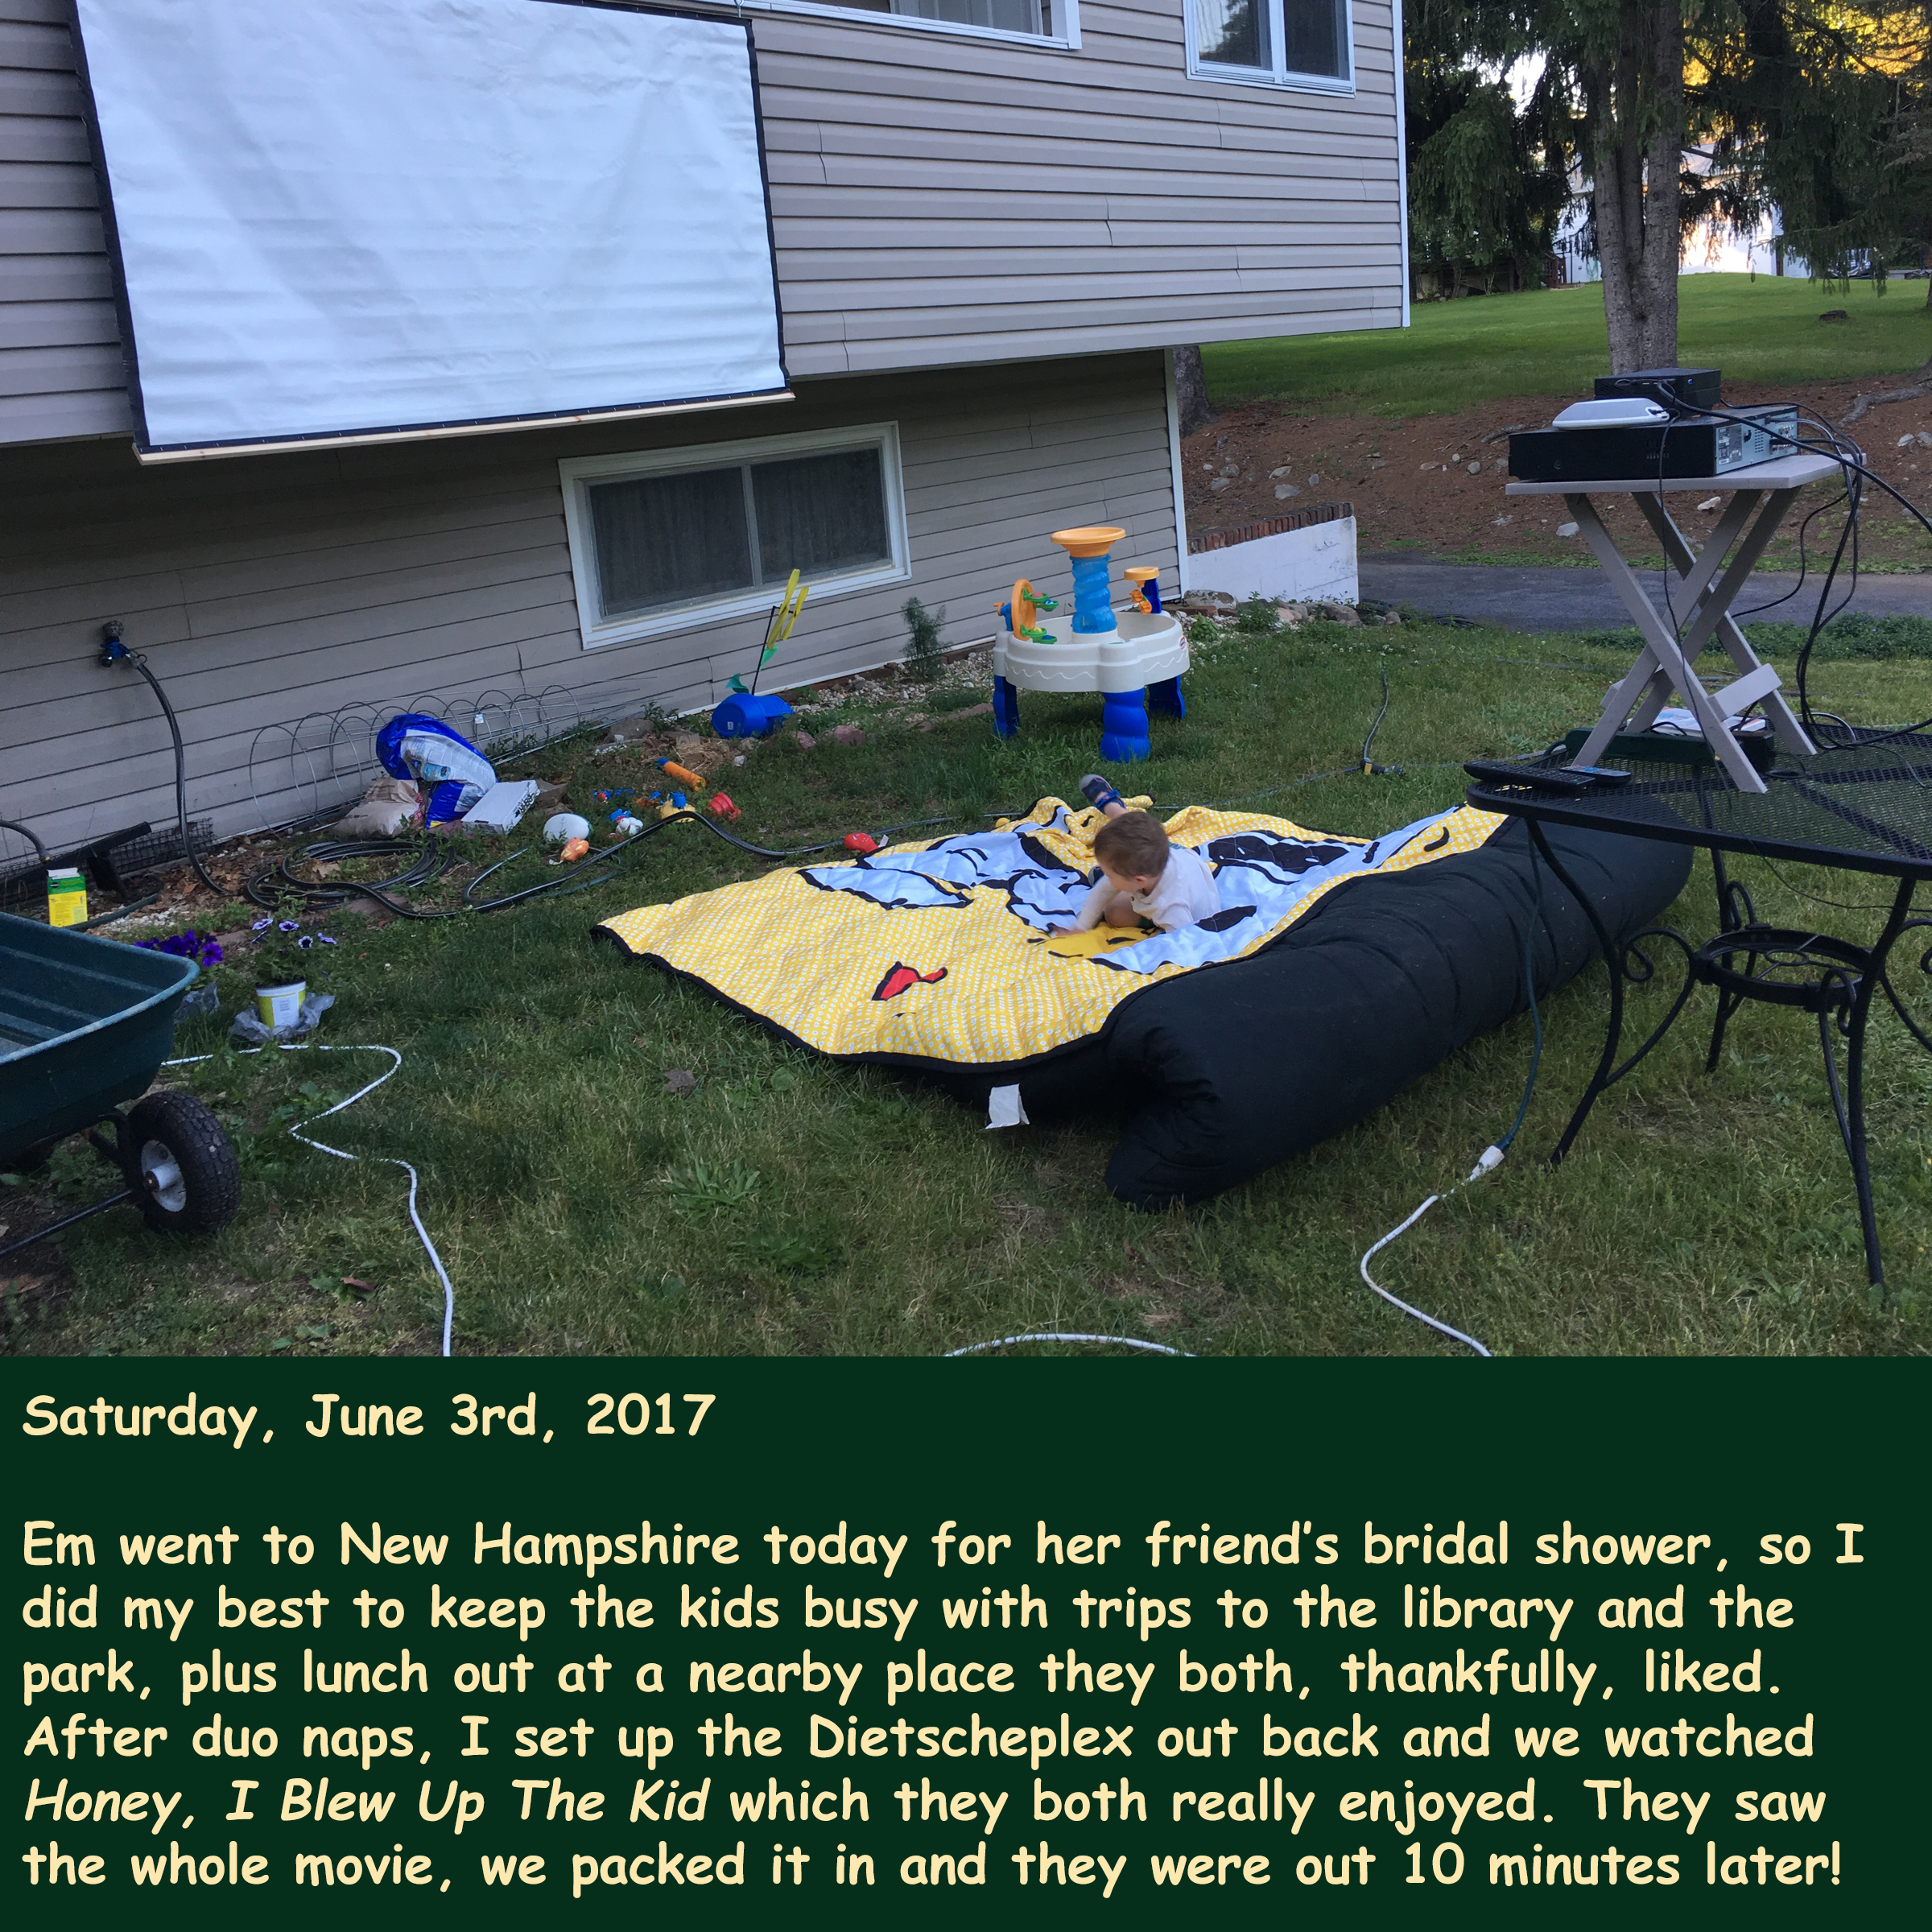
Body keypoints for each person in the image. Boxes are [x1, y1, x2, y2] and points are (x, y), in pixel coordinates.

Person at [1059, 776, 1219, 935]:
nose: (1106, 878)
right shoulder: (1151, 862)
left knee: (1115, 914)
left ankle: (1116, 813)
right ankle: (1114, 809)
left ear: (1139, 880)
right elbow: (1102, 892)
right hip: (1175, 853)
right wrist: (1081, 927)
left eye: (1109, 875)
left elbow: (1183, 943)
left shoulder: (1173, 911)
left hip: (1181, 878)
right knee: (1135, 835)